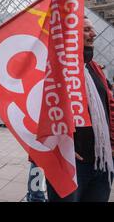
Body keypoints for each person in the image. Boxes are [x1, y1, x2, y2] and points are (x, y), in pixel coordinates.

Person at [47, 16, 114, 202]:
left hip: (102, 162)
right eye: (86, 30)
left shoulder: (94, 68)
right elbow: (34, 114)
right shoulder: (54, 72)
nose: (94, 34)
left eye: (92, 29)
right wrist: (56, 145)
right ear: (71, 35)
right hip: (70, 165)